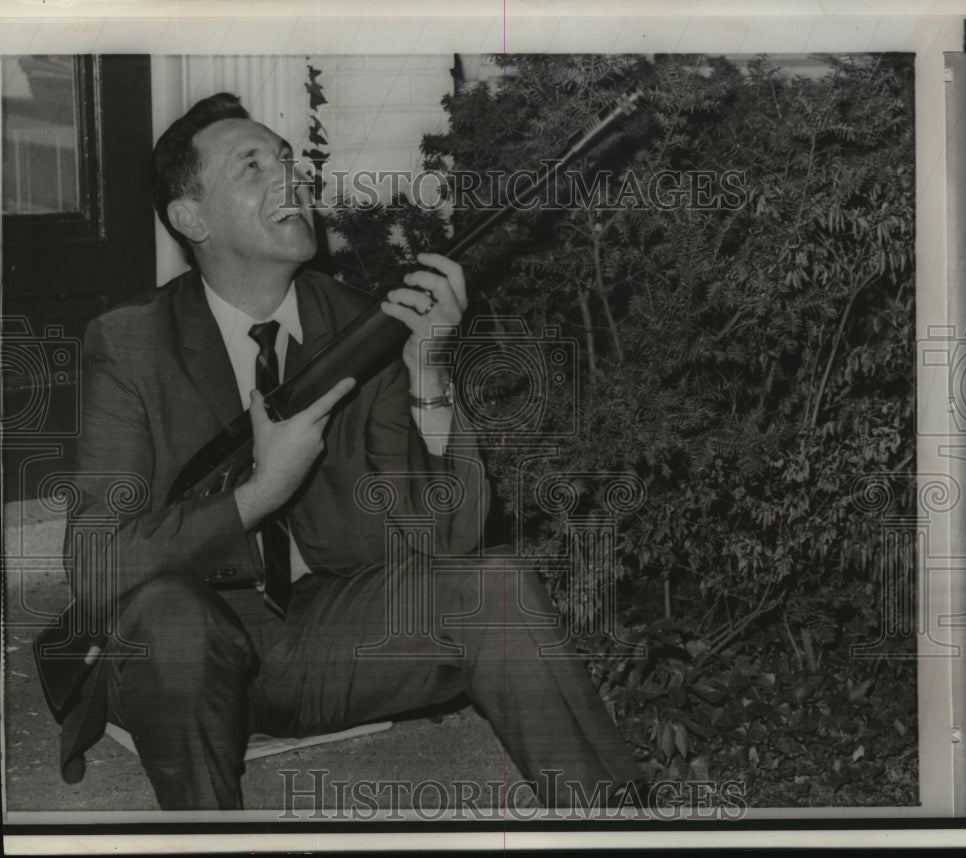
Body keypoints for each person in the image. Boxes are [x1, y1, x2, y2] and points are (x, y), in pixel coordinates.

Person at [42, 92, 643, 811]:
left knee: (497, 584)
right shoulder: (131, 343)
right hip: (188, 652)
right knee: (171, 621)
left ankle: (615, 821)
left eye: (289, 160)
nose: (290, 178)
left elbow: (446, 537)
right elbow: (96, 564)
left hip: (330, 638)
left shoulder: (360, 324)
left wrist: (427, 371)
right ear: (191, 218)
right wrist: (260, 494)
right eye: (253, 166)